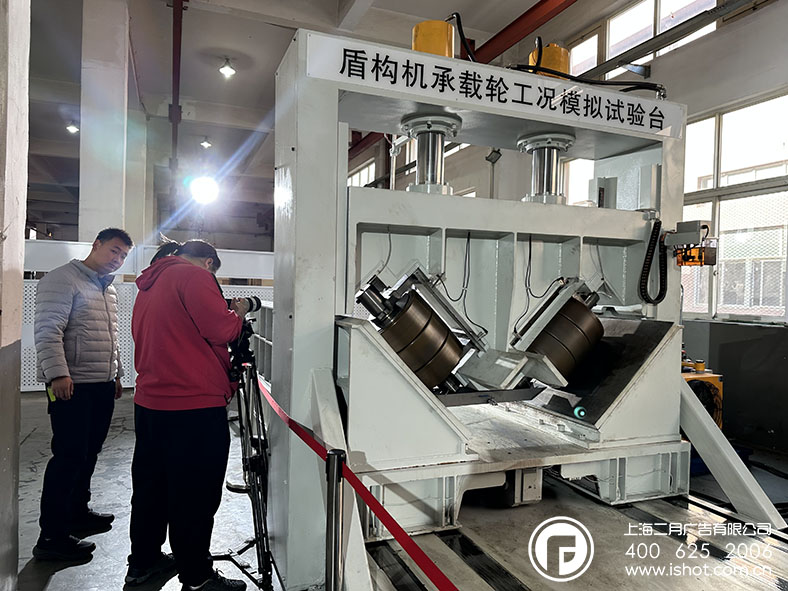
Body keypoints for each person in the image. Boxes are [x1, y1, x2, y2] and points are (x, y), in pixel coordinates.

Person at [126, 239, 248, 591]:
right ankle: (197, 576)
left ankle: (144, 562)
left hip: (151, 402)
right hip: (193, 405)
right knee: (194, 494)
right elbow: (221, 330)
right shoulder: (194, 277)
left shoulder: (151, 282)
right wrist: (238, 313)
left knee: (152, 488)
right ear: (208, 262)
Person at [33, 227, 133, 561]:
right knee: (68, 457)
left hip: (100, 384)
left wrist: (115, 374)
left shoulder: (108, 289)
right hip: (71, 385)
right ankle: (51, 536)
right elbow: (48, 331)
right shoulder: (62, 279)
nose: (118, 259)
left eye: (123, 255)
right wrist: (58, 374)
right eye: (114, 250)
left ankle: (77, 512)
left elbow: (111, 338)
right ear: (97, 245)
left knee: (89, 453)